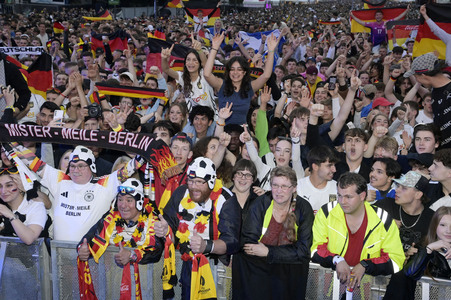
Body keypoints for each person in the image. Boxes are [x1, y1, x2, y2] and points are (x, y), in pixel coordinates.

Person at [5, 144, 144, 242]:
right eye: (72, 166)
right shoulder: (60, 179)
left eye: (81, 166)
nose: (75, 170)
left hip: (92, 256)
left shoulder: (105, 183)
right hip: (60, 254)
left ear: (92, 167)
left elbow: (130, 168)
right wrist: (10, 142)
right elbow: (33, 162)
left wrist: (146, 150)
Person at [155, 157, 240, 299]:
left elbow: (232, 241)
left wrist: (206, 246)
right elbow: (170, 225)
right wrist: (166, 232)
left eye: (200, 182)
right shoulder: (181, 193)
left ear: (212, 182)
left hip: (217, 267)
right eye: (191, 181)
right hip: (187, 264)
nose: (194, 187)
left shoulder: (226, 199)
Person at [311, 172, 405, 295]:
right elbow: (315, 250)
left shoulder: (382, 219)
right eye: (339, 195)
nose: (342, 201)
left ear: (362, 196)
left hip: (365, 289)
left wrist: (366, 265)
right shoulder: (326, 212)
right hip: (330, 288)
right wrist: (336, 259)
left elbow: (396, 260)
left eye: (348, 197)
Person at [233, 166, 314, 300]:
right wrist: (279, 253)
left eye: (284, 186)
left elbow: (303, 251)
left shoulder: (303, 208)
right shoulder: (260, 203)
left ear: (294, 188)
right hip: (259, 268)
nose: (278, 191)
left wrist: (269, 252)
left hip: (289, 271)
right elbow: (248, 244)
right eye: (275, 185)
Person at [77, 178, 164, 299]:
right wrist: (82, 249)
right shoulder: (110, 217)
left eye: (129, 200)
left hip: (145, 289)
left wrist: (131, 255)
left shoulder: (153, 219)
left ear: (139, 201)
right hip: (115, 287)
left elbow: (157, 250)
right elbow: (88, 237)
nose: (123, 205)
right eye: (120, 199)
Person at [374, 171, 434, 300]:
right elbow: (357, 217)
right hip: (381, 263)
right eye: (398, 186)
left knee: (403, 273)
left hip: (410, 274)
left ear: (418, 194)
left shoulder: (431, 218)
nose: (397, 190)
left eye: (404, 188)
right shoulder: (386, 205)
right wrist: (385, 222)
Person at [204, 32, 279, 125]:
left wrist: (271, 51)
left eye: (239, 70)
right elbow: (207, 74)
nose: (235, 73)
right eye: (232, 69)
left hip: (243, 133)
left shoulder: (250, 87)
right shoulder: (221, 85)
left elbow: (266, 75)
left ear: (244, 73)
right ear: (228, 72)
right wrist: (214, 48)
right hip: (222, 130)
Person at [404, 52, 451, 149]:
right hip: (443, 152)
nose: (417, 80)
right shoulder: (434, 90)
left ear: (424, 75)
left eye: (416, 77)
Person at [0, 167, 50, 244]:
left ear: (20, 187)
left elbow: (29, 239)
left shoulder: (36, 206)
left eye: (9, 185)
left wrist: (10, 215)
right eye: (0, 186)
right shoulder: (3, 207)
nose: (3, 191)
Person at [404, 206, 451, 280]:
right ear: (434, 226)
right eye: (443, 225)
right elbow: (410, 273)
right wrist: (429, 249)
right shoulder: (421, 247)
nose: (448, 231)